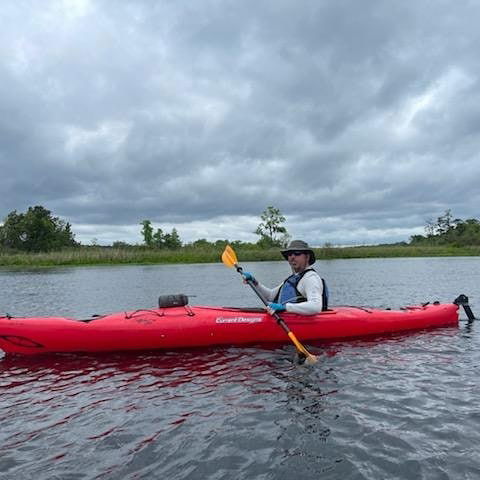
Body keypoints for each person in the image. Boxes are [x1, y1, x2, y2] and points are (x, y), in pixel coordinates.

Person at [243, 239, 328, 315]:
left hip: (302, 324)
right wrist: (255, 282)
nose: (292, 257)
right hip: (287, 320)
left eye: (297, 254)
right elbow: (270, 296)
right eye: (289, 254)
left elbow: (315, 306)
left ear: (307, 257)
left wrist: (285, 307)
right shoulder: (294, 278)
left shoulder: (310, 278)